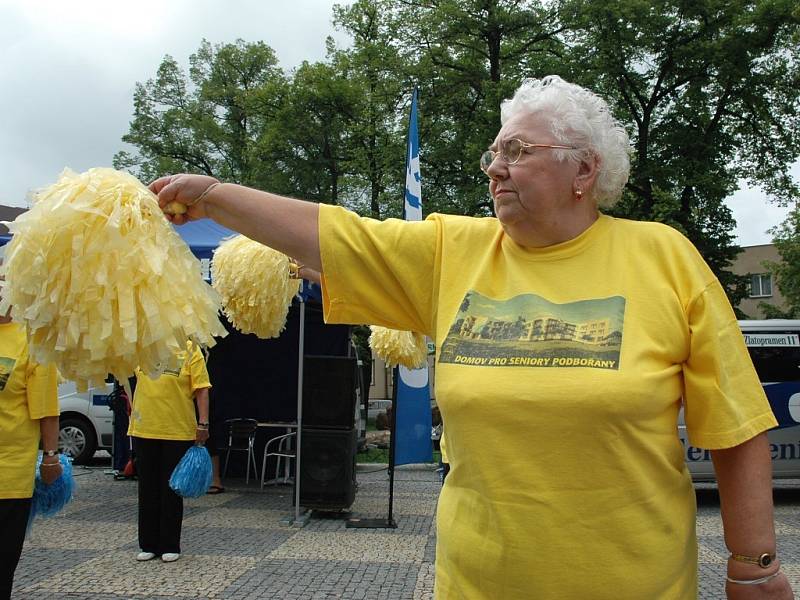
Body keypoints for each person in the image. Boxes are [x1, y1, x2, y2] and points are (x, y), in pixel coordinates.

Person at [149, 76, 793, 598]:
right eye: (494, 152)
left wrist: (754, 564)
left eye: (518, 152)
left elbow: (735, 425)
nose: (495, 169)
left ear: (584, 171)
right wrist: (214, 196)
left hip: (633, 583)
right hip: (477, 584)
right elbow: (337, 233)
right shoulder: (453, 251)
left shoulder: (664, 257)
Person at [0, 275, 60, 599]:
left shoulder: (32, 342)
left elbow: (46, 408)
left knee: (3, 561)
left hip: (10, 475)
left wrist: (50, 455)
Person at [128, 341, 211, 563]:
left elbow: (202, 388)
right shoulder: (141, 347)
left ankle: (170, 544)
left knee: (171, 489)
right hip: (145, 428)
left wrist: (203, 424)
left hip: (178, 431)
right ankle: (148, 543)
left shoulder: (191, 349)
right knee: (147, 488)